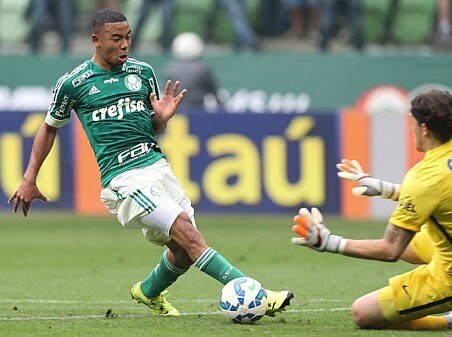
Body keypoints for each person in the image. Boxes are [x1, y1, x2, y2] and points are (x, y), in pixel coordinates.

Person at [8, 8, 292, 317]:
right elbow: (49, 127)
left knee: (183, 251)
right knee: (190, 234)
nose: (125, 44)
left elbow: (153, 127)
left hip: (158, 167)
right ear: (96, 40)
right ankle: (259, 295)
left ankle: (148, 291)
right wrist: (29, 177)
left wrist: (161, 118)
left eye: (128, 37)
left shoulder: (142, 73)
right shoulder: (74, 83)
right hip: (124, 179)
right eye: (116, 38)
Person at [291, 90, 452, 330]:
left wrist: (329, 242)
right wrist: (383, 187)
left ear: (424, 127)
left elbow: (389, 250)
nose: (409, 127)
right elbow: (441, 195)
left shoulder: (425, 177)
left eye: (411, 122)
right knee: (411, 251)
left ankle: (449, 321)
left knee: (363, 313)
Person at [166, 32, 221, 110]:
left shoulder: (172, 68)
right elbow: (213, 91)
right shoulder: (202, 68)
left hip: (176, 111)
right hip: (198, 110)